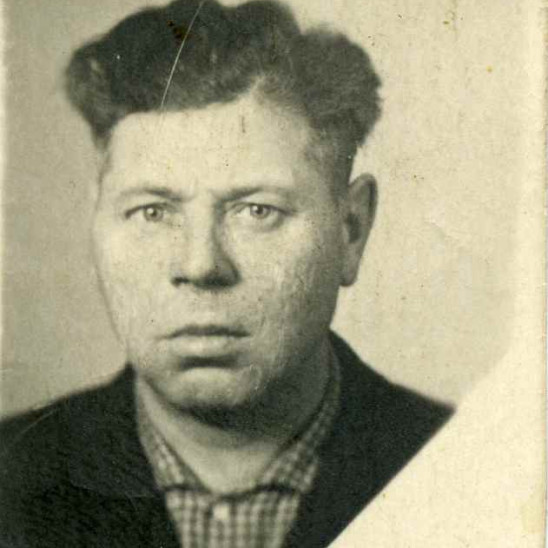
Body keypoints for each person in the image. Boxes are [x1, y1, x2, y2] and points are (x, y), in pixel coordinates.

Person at [0, 1, 453, 547]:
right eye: (153, 212)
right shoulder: (11, 476)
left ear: (350, 230)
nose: (200, 266)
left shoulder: (467, 462)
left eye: (256, 211)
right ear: (97, 218)